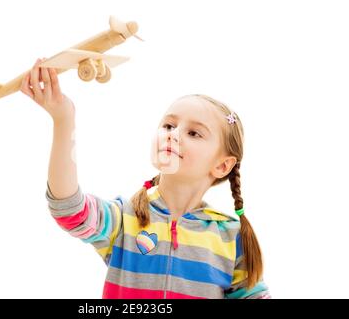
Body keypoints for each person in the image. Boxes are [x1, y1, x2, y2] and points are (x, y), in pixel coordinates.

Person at [20, 58, 271, 299]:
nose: (173, 134)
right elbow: (69, 209)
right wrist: (64, 118)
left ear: (222, 165)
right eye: (169, 125)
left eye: (194, 133)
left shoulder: (230, 237)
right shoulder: (123, 219)